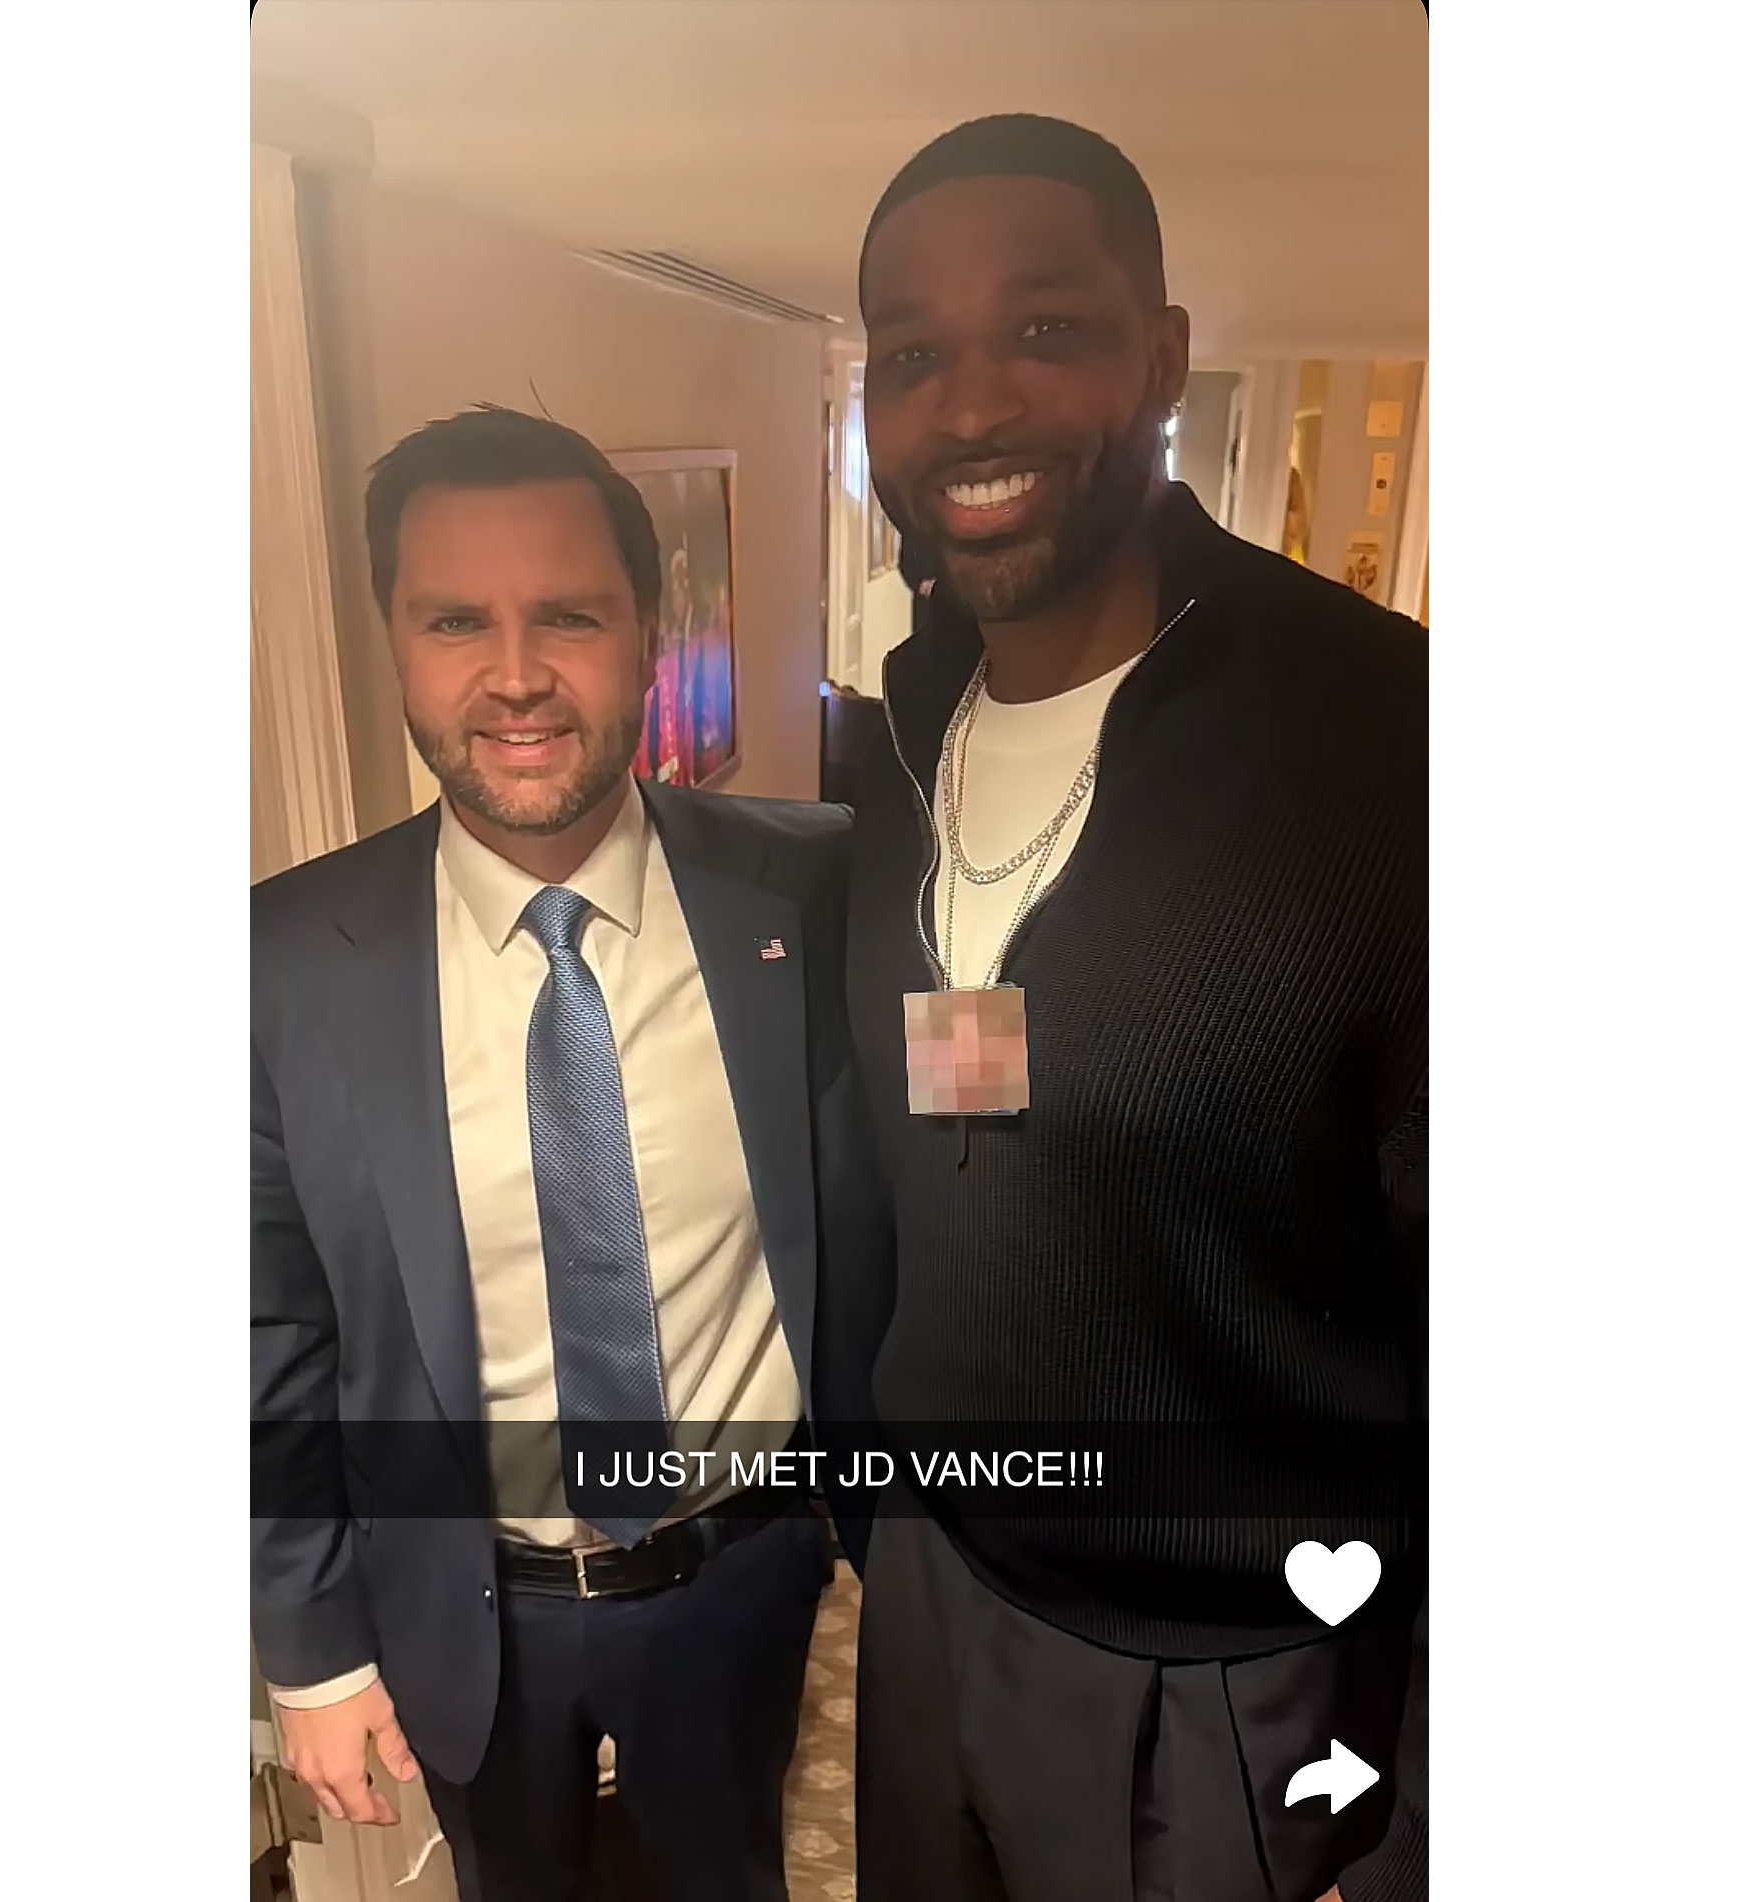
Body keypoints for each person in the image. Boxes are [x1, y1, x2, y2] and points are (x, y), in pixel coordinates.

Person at [842, 117, 1426, 1902]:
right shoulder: (893, 730)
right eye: (911, 351)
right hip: (930, 1587)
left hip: (1232, 1667)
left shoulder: (1390, 745)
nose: (966, 407)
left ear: (1161, 357)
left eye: (1042, 328)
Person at [251, 405, 883, 1902]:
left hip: (743, 1571)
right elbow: (267, 1330)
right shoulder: (279, 959)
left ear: (647, 635)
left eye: (569, 616)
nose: (517, 673)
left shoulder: (812, 880)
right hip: (460, 1600)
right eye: (456, 619)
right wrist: (311, 1643)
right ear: (395, 640)